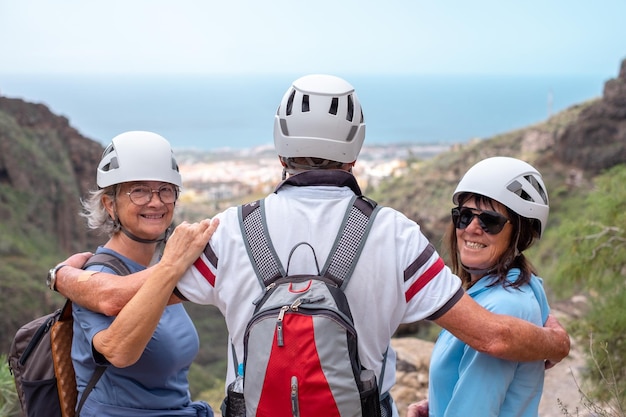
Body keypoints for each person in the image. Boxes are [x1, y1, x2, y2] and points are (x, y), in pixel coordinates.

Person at [52, 75, 569, 417]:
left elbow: (122, 301)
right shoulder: (394, 235)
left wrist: (64, 277)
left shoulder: (231, 232)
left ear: (280, 142)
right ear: (356, 144)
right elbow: (496, 338)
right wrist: (555, 344)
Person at [61, 131, 218, 416]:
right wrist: (172, 264)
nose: (155, 202)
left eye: (165, 190)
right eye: (139, 190)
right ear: (110, 204)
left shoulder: (156, 268)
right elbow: (119, 352)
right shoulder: (95, 276)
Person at [408, 156, 553, 417]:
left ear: (519, 233)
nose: (472, 228)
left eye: (490, 221)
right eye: (464, 216)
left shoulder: (502, 307)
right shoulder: (522, 287)